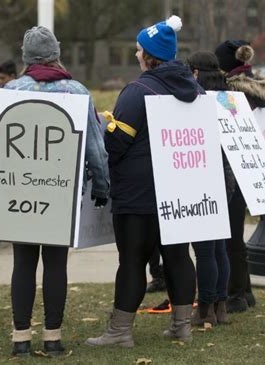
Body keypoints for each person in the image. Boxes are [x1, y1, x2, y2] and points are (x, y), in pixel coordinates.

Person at [86, 15, 199, 346]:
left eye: (138, 50)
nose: (136, 55)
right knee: (178, 256)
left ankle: (120, 332)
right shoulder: (193, 89)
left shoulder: (137, 91)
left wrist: (107, 126)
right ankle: (183, 326)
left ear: (150, 55)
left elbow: (116, 145)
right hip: (181, 189)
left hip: (140, 194)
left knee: (132, 260)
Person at [4, 26, 110, 357]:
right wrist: (103, 184)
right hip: (60, 190)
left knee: (22, 263)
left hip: (19, 188)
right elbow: (95, 144)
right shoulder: (76, 91)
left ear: (25, 56)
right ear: (56, 54)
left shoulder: (12, 89)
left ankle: (20, 338)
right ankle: (53, 338)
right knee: (55, 263)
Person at [215, 40, 265, 313]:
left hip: (234, 167)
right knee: (235, 235)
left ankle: (237, 294)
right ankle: (246, 290)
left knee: (232, 237)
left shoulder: (231, 94)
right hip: (252, 167)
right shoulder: (257, 91)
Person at [186, 51, 236, 325]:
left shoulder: (195, 99)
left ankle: (204, 309)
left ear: (195, 72)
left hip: (202, 176)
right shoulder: (226, 99)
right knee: (219, 248)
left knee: (205, 250)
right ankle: (220, 306)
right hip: (226, 179)